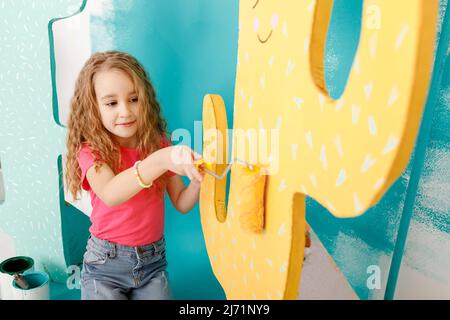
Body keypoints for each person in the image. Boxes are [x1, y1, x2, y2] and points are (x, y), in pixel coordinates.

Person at [65, 51, 204, 300]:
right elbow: (111, 193)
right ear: (93, 108)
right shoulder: (91, 151)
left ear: (146, 100)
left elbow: (182, 203)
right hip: (104, 266)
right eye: (111, 103)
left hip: (152, 265)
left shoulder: (158, 143)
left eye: (133, 99)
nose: (126, 111)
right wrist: (160, 160)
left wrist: (197, 179)